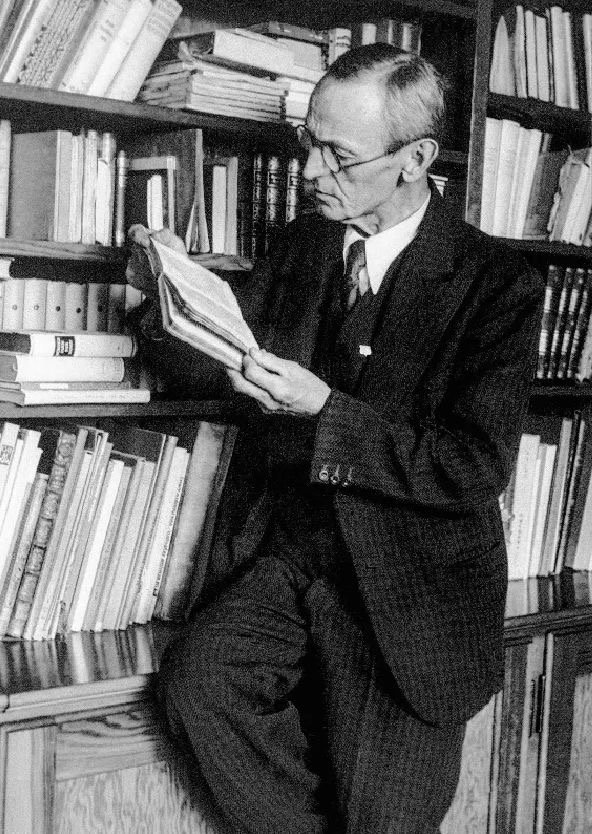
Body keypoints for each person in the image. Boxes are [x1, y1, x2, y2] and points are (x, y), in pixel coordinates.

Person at [128, 44, 544, 834]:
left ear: (415, 160)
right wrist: (168, 291)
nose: (311, 171)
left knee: (383, 820)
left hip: (409, 590)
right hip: (292, 557)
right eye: (308, 143)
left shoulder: (498, 283)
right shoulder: (304, 245)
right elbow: (212, 360)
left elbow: (471, 464)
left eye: (339, 155)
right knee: (199, 684)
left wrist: (326, 411)